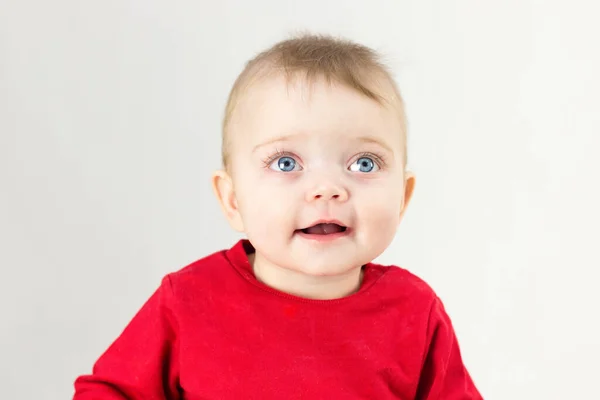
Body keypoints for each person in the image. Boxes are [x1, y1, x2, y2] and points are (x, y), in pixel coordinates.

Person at [73, 33, 482, 399]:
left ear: (403, 198)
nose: (327, 188)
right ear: (232, 199)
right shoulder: (189, 301)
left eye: (364, 163)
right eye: (287, 163)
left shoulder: (413, 312)